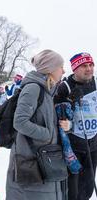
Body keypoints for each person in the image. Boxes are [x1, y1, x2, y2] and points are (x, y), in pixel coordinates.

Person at [6, 49, 68, 199]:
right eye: (61, 66)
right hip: (30, 159)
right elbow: (20, 121)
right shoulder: (33, 88)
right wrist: (47, 134)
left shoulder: (47, 90)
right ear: (51, 69)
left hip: (43, 157)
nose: (64, 70)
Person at [54, 52, 97, 200]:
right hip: (74, 146)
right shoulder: (65, 86)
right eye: (84, 66)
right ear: (75, 69)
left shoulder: (95, 83)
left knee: (88, 189)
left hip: (93, 144)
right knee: (72, 191)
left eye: (91, 65)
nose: (89, 69)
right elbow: (56, 112)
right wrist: (71, 99)